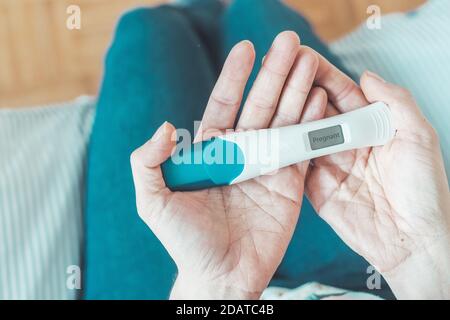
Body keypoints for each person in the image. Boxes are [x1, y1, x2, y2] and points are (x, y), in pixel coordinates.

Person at [85, 0, 449, 299]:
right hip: (369, 265)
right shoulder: (404, 251)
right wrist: (419, 256)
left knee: (147, 28)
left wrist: (219, 285)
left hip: (184, 281)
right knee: (262, 15)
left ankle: (195, 14)